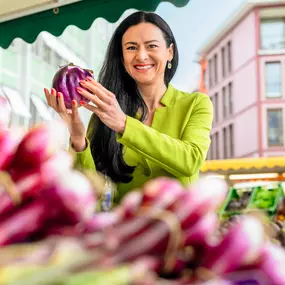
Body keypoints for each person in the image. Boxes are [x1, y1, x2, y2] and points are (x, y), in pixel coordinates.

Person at [44, 11, 213, 203]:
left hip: (178, 229)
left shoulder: (195, 104)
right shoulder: (107, 111)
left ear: (170, 52)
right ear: (122, 57)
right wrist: (77, 136)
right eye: (131, 47)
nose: (141, 56)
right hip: (125, 229)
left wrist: (124, 124)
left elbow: (190, 160)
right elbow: (91, 190)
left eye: (152, 46)